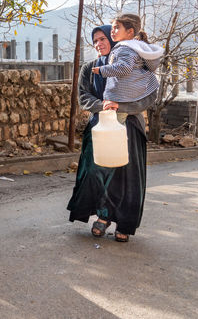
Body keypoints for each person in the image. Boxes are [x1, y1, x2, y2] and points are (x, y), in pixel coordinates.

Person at [67, 24, 156, 243]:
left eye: (102, 39)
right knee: (96, 174)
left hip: (129, 129)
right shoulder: (90, 69)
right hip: (100, 128)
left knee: (126, 177)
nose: (98, 44)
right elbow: (83, 98)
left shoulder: (134, 65)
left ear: (114, 40)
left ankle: (124, 223)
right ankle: (103, 217)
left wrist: (120, 107)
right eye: (95, 40)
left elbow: (149, 97)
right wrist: (103, 104)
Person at [91, 13, 163, 108]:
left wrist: (101, 70)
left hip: (127, 97)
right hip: (137, 92)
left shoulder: (125, 49)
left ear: (130, 32)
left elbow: (124, 68)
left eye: (116, 28)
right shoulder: (134, 47)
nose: (112, 31)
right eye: (112, 28)